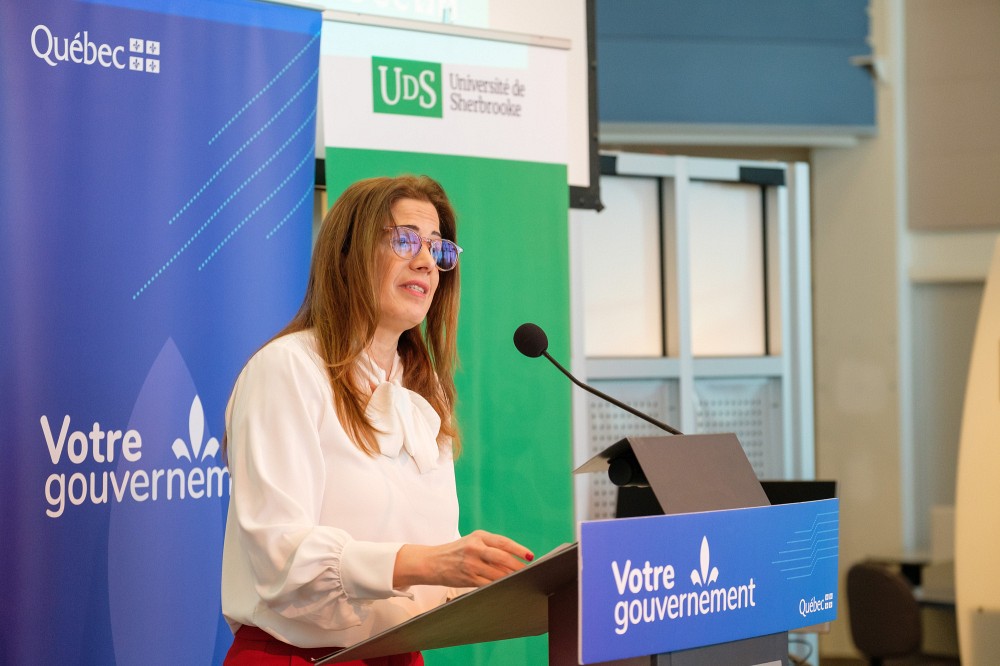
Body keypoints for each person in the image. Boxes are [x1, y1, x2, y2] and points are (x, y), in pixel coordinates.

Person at [220, 175, 534, 665]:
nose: (427, 262)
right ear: (347, 253)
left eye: (438, 249)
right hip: (297, 657)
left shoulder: (425, 389)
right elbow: (280, 557)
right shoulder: (287, 369)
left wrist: (511, 583)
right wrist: (429, 563)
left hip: (400, 653)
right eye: (405, 240)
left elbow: (431, 557)